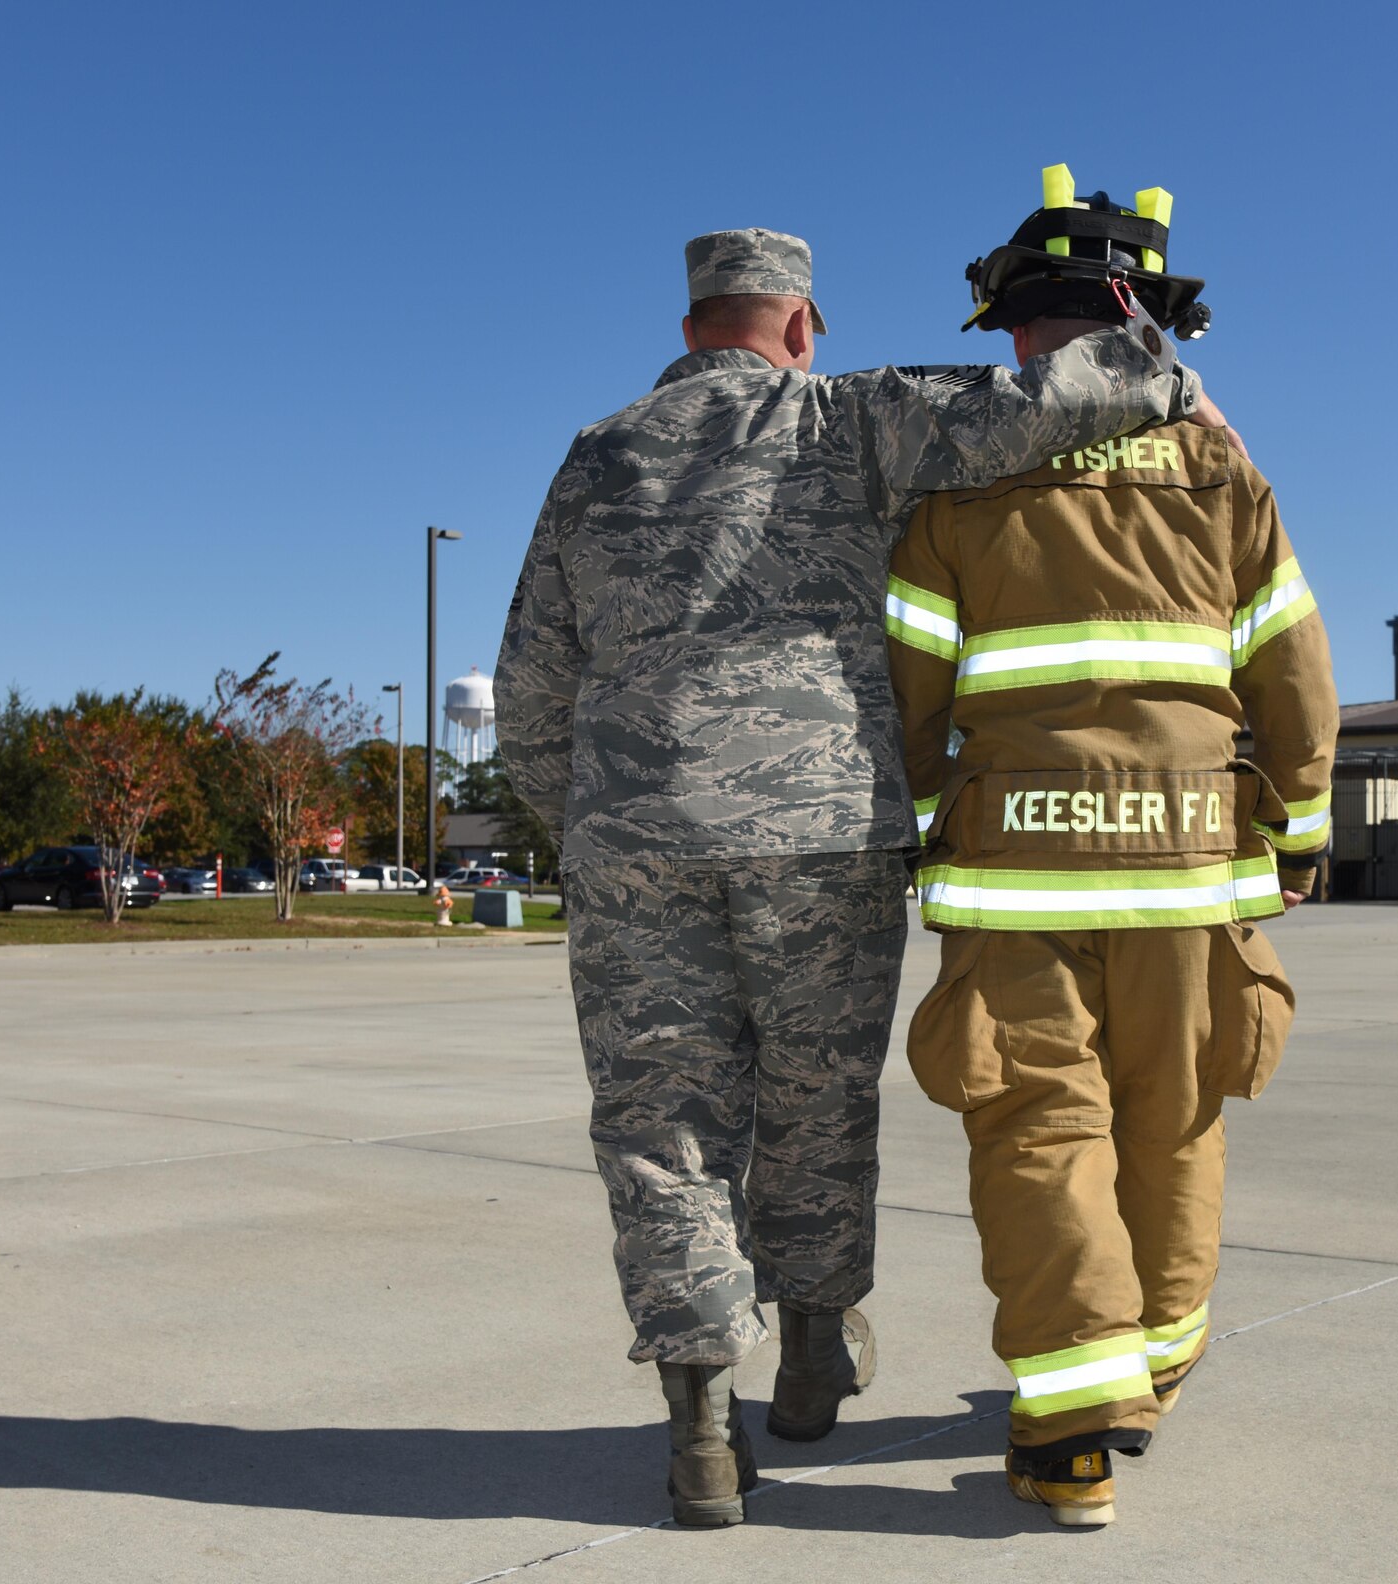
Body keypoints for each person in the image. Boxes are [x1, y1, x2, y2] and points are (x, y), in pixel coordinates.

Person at [496, 225, 1223, 1528]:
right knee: (818, 1095)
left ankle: (702, 1423)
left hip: (639, 838)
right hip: (824, 829)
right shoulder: (851, 418)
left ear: (689, 334)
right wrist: (1142, 316)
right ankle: (820, 1349)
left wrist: (586, 825)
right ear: (801, 325)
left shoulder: (597, 457)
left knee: (664, 1133)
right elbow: (1084, 395)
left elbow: (531, 681)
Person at [886, 167, 1339, 1527]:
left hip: (1019, 874)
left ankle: (1073, 1424)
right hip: (1193, 861)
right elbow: (1294, 665)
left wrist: (917, 831)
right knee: (1175, 1112)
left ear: (1032, 325)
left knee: (1040, 1126)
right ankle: (1151, 1361)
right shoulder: (1224, 472)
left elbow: (909, 683)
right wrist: (1302, 833)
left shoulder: (960, 482)